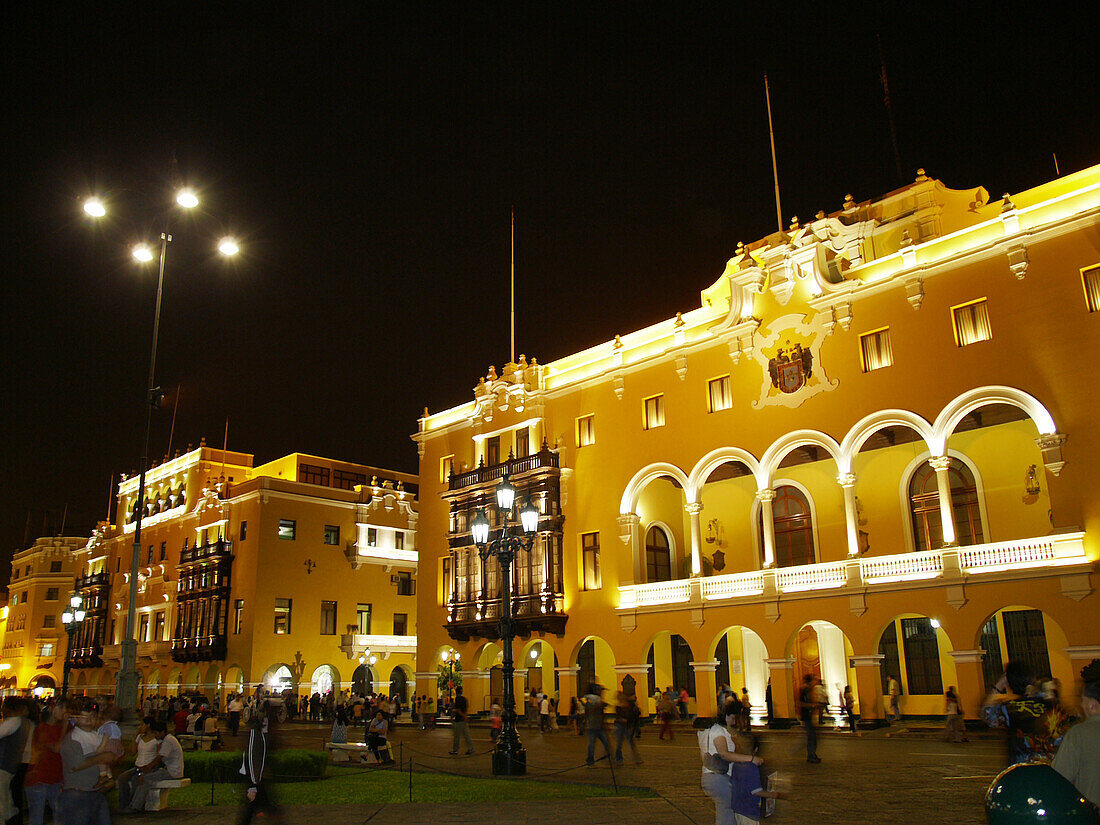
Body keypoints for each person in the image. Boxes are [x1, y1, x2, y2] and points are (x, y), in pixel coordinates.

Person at [983, 659, 1071, 765]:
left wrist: (999, 685)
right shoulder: (1055, 707)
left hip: (1022, 770)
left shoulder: (1010, 708)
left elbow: (986, 713)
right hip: (1053, 768)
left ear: (1010, 682)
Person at [699, 704, 770, 825]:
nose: (734, 721)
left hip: (709, 776)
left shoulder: (705, 732)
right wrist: (750, 759)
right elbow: (724, 754)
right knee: (727, 814)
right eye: (733, 717)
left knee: (726, 812)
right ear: (726, 716)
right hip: (719, 777)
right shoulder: (718, 731)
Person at [1052, 659, 1100, 808]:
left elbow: (1058, 779)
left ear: (1092, 705)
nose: (1081, 705)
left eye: (1083, 700)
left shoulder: (1079, 734)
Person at [57, 707, 110, 825]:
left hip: (96, 793)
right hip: (77, 793)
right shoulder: (72, 739)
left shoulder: (97, 736)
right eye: (85, 717)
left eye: (92, 717)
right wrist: (100, 757)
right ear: (76, 718)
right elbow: (75, 765)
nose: (89, 720)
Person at [119, 720, 184, 813]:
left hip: (172, 772)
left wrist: (145, 771)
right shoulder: (169, 739)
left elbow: (158, 759)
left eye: (156, 733)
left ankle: (135, 806)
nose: (155, 735)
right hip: (170, 770)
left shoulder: (168, 741)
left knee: (144, 779)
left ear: (162, 732)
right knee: (133, 778)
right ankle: (130, 805)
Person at [24, 701, 66, 825]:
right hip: (39, 778)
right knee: (37, 817)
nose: (64, 712)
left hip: (55, 778)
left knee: (60, 814)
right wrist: (65, 726)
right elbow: (56, 748)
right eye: (62, 708)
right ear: (53, 709)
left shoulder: (59, 728)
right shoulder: (43, 729)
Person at [0, 697, 33, 824]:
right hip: (11, 765)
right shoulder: (25, 723)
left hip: (3, 765)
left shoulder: (13, 722)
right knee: (7, 799)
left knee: (2, 800)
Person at [583, 684, 612, 766]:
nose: (602, 692)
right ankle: (590, 759)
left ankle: (608, 756)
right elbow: (589, 709)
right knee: (592, 744)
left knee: (606, 742)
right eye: (600, 690)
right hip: (592, 726)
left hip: (599, 726)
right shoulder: (592, 699)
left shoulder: (598, 700)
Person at [613, 693, 642, 765]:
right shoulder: (618, 706)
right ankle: (619, 759)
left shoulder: (628, 705)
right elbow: (619, 716)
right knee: (619, 743)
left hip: (626, 725)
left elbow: (633, 713)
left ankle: (636, 758)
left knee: (631, 742)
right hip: (619, 725)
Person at [798, 674, 820, 763]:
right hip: (807, 716)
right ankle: (811, 755)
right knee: (811, 737)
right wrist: (812, 705)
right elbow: (800, 703)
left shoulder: (808, 690)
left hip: (808, 716)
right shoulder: (805, 690)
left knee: (812, 737)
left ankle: (812, 754)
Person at [448, 687, 474, 755]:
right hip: (463, 720)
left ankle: (455, 750)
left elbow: (458, 710)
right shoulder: (464, 699)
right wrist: (465, 716)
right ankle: (471, 748)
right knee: (466, 735)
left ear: (456, 692)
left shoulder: (457, 699)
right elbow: (466, 708)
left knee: (457, 736)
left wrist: (462, 716)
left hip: (459, 719)